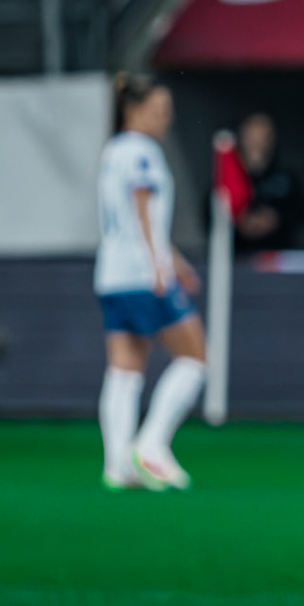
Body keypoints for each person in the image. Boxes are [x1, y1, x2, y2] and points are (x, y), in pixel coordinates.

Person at [94, 73, 206, 491]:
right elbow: (142, 205)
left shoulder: (113, 151)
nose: (166, 118)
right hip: (142, 272)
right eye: (159, 110)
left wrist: (172, 258)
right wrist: (161, 264)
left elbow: (128, 214)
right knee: (195, 356)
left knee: (125, 368)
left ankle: (116, 465)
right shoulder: (143, 151)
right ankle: (152, 444)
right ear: (134, 111)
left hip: (111, 273)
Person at [230, 112, 304, 252]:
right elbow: (210, 216)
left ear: (272, 139)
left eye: (262, 137)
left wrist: (276, 220)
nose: (257, 142)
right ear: (241, 137)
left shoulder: (286, 180)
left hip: (279, 258)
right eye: (252, 136)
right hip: (238, 259)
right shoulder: (229, 177)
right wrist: (240, 222)